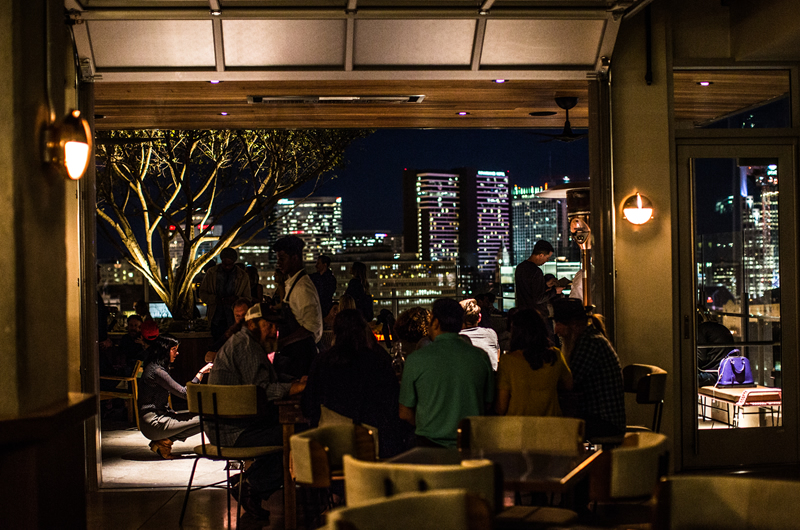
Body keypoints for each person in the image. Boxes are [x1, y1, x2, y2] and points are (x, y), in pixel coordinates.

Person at [208, 303, 306, 521]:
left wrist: (293, 382)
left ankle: (249, 484)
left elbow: (266, 380)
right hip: (234, 431)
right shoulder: (247, 346)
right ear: (251, 324)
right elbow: (260, 391)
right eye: (268, 325)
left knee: (291, 432)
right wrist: (294, 387)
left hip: (228, 426)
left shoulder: (246, 342)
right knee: (298, 436)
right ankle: (252, 485)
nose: (274, 331)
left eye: (275, 326)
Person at [303, 309, 409, 458]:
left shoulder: (321, 362)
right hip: (373, 445)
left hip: (330, 445)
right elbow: (392, 404)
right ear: (363, 330)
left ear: (335, 332)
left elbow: (308, 406)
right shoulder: (377, 361)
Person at [398, 299, 494, 448]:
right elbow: (488, 403)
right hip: (471, 444)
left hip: (429, 445)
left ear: (435, 323)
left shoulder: (416, 359)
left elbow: (404, 413)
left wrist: (430, 425)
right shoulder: (481, 357)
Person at [551, 298, 625, 441]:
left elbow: (569, 383)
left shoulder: (590, 343)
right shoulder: (587, 339)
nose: (555, 331)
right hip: (601, 418)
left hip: (604, 422)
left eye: (558, 325)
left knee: (550, 430)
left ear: (573, 325)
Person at [137, 335, 213, 459]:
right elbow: (185, 394)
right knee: (208, 418)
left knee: (205, 421)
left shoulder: (155, 368)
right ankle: (163, 441)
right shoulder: (157, 371)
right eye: (174, 349)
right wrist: (201, 373)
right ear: (164, 350)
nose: (177, 353)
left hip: (159, 418)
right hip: (153, 422)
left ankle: (164, 442)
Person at [495, 309, 572, 416]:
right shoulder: (555, 355)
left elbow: (501, 407)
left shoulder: (507, 361)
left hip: (518, 426)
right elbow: (568, 384)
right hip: (551, 425)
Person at [272, 235, 323, 380]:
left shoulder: (302, 288)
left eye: (282, 258)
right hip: (295, 355)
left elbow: (311, 326)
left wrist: (282, 342)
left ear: (294, 258)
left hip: (302, 358)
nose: (278, 263)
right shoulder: (293, 283)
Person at [199, 247, 251, 340]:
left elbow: (247, 298)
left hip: (235, 320)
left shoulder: (242, 276)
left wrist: (236, 300)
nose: (227, 267)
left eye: (229, 264)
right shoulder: (211, 273)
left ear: (234, 262)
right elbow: (202, 294)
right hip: (216, 320)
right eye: (224, 264)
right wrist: (215, 299)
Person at [515, 240, 563, 318]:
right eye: (547, 257)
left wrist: (545, 285)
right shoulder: (536, 271)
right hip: (537, 316)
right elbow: (538, 298)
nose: (547, 260)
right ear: (540, 255)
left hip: (522, 313)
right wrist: (555, 291)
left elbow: (529, 289)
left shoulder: (520, 267)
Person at [205, 298, 251, 362]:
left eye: (244, 315)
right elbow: (209, 354)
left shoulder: (255, 333)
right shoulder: (232, 332)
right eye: (237, 316)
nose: (241, 319)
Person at [458, 299, 500, 370]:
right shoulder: (491, 334)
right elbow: (497, 358)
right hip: (493, 378)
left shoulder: (456, 338)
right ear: (479, 317)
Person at [697, 310, 735, 387]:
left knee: (684, 379)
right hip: (729, 374)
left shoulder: (701, 329)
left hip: (713, 375)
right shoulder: (722, 328)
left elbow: (700, 359)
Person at [310, 254, 337, 319]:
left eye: (318, 263)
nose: (316, 266)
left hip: (323, 309)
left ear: (324, 265)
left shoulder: (329, 280)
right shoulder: (330, 279)